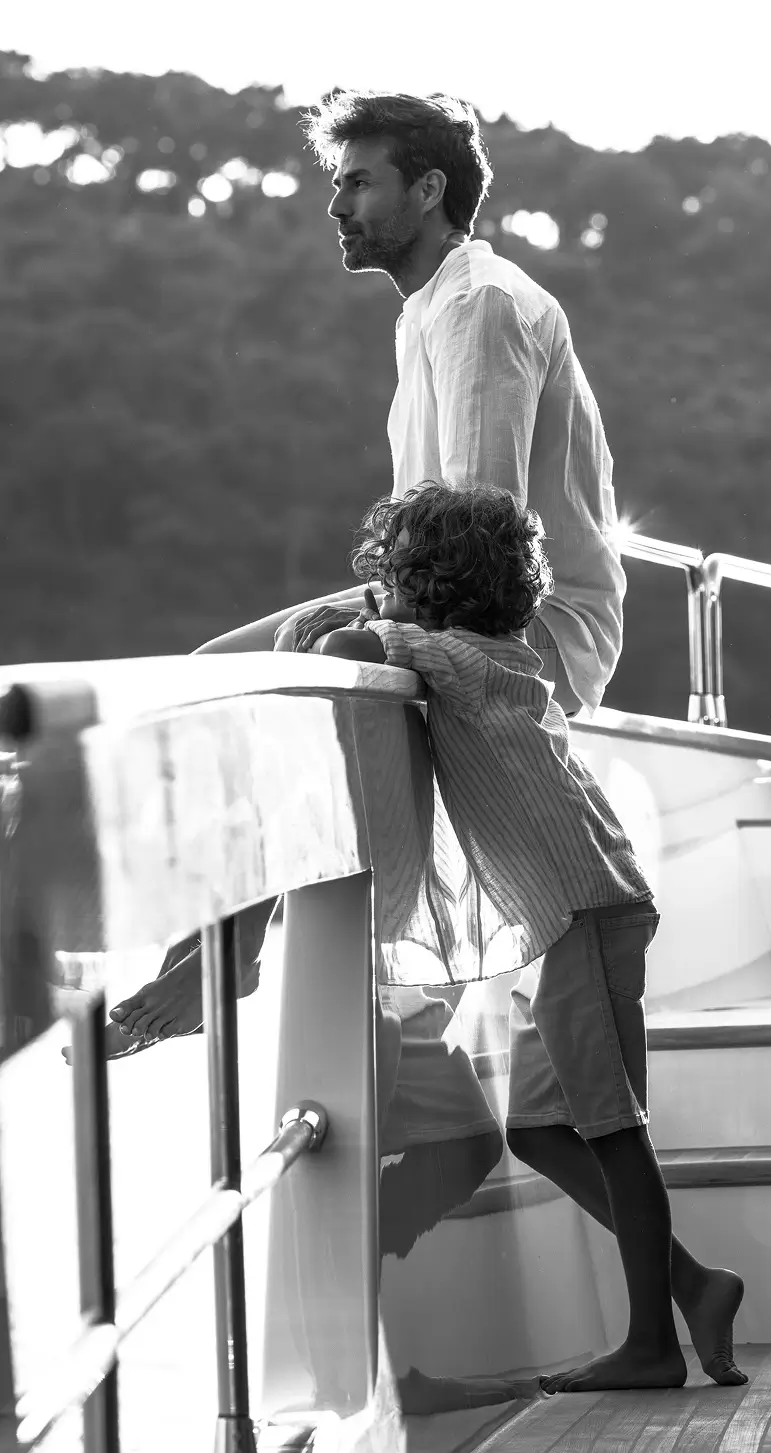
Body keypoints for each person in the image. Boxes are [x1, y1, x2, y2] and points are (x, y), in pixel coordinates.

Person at [106, 86, 625, 1044]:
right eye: (336, 184)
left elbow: (485, 532)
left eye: (358, 183)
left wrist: (375, 629)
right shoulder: (428, 307)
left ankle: (230, 950)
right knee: (218, 673)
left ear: (428, 189)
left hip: (523, 623)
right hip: (446, 586)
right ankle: (215, 948)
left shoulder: (481, 305)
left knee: (309, 665)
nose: (336, 207)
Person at [285, 479, 748, 1395]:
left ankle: (654, 1342)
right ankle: (697, 1287)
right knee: (539, 1130)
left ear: (416, 583)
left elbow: (332, 647)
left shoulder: (446, 658)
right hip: (582, 906)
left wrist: (363, 606)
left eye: (393, 573)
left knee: (614, 1128)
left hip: (586, 910)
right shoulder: (498, 651)